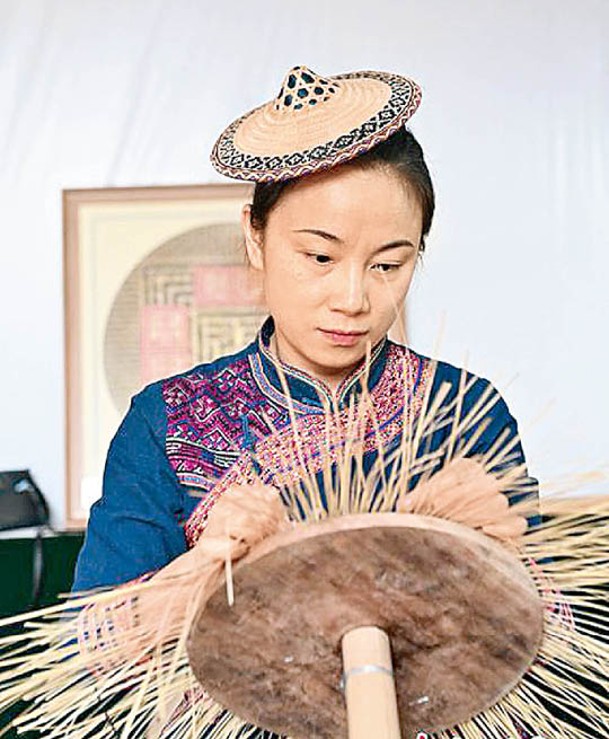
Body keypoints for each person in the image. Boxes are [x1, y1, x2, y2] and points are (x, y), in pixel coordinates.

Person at [72, 66, 537, 737]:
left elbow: (552, 648)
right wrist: (206, 567)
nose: (353, 298)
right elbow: (86, 652)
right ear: (253, 238)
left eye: (388, 264)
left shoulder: (463, 410)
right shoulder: (166, 420)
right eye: (319, 256)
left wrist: (499, 558)